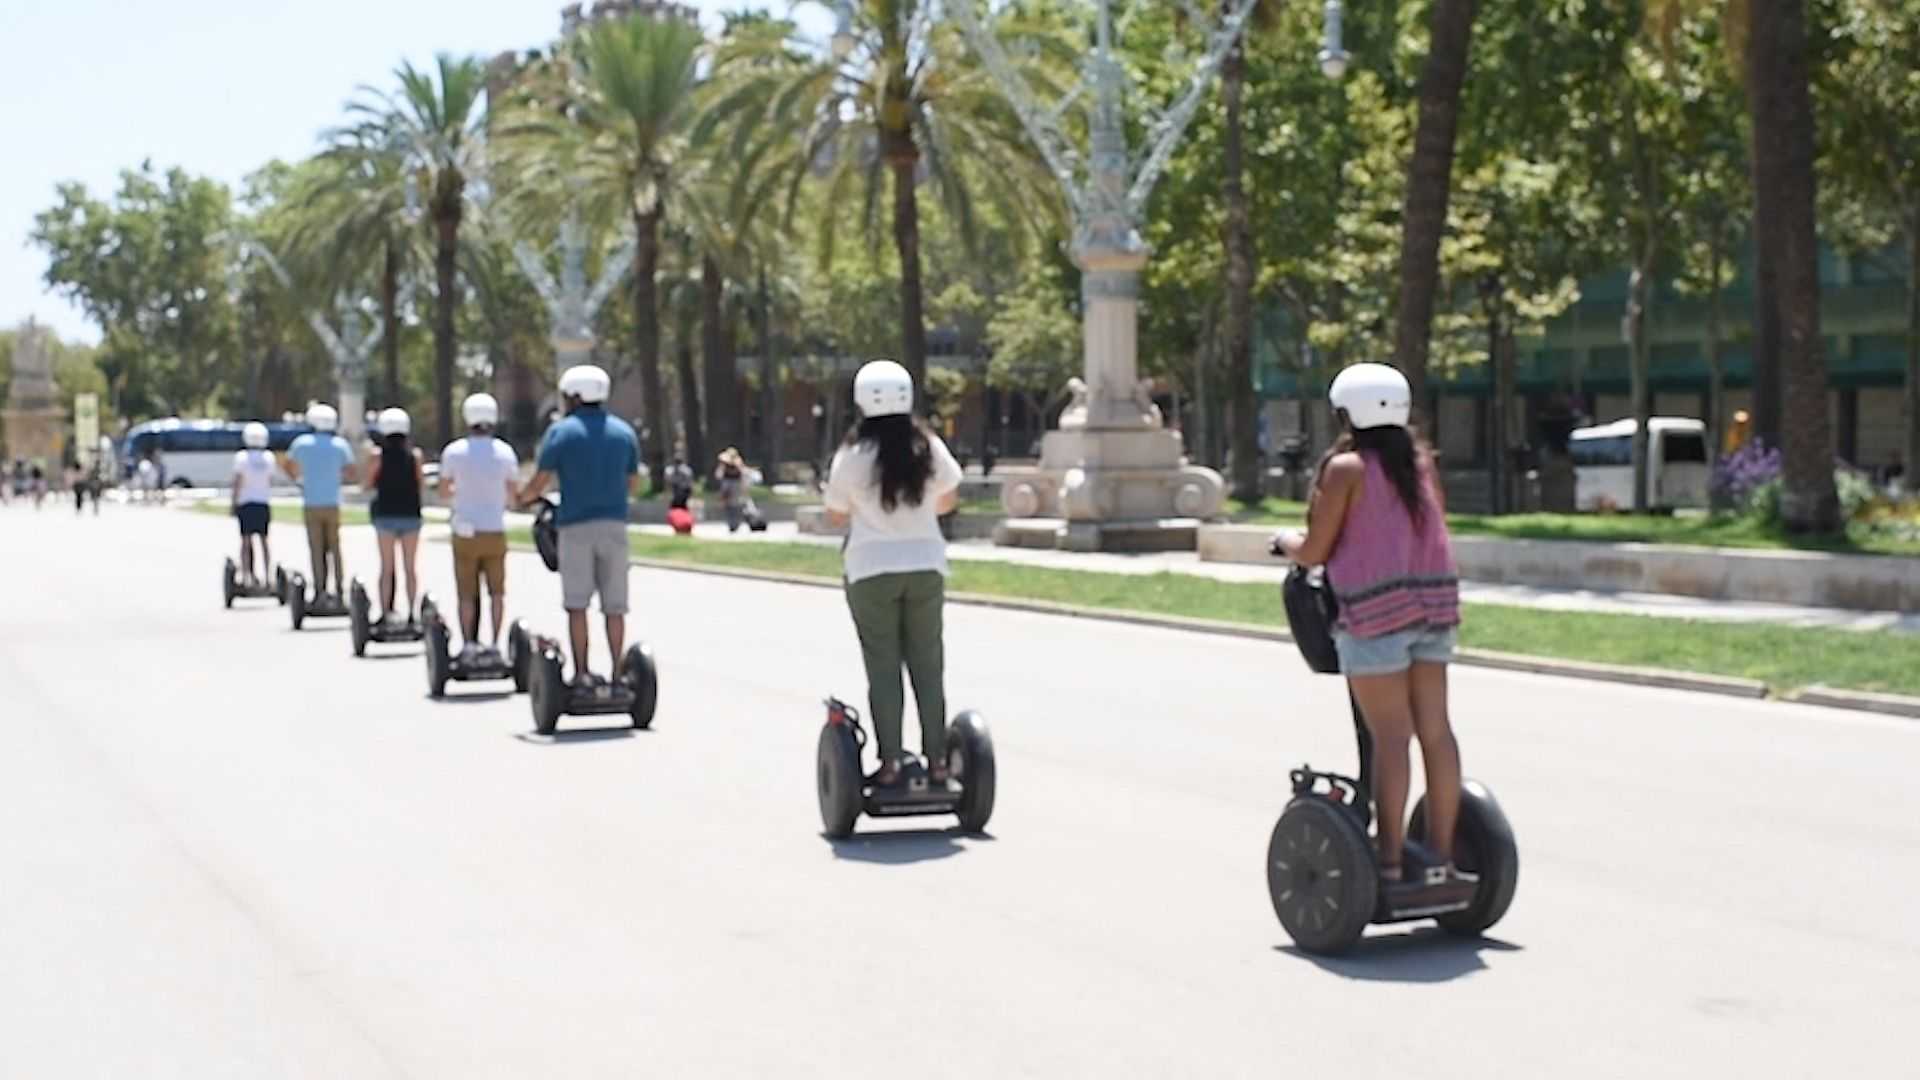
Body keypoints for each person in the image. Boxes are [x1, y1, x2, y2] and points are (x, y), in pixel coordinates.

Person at [1274, 362, 1473, 890]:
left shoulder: (1346, 469)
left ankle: (1386, 864)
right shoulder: (1420, 463)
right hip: (1434, 608)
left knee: (1390, 737)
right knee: (1436, 731)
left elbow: (1316, 547)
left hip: (1376, 615)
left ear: (1346, 413)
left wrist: (1284, 541)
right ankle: (1440, 859)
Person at [822, 360, 964, 786]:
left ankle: (890, 763)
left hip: (871, 569)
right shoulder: (928, 446)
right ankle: (938, 761)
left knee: (883, 668)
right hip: (924, 565)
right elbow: (948, 499)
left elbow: (835, 516)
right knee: (927, 665)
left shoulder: (852, 455)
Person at [519, 364, 642, 690]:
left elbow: (541, 480)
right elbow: (633, 482)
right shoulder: (624, 432)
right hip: (615, 526)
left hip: (575, 528)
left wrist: (522, 498)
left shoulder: (562, 432)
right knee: (615, 607)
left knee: (577, 605)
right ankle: (618, 676)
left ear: (574, 396)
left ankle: (583, 673)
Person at [439, 393, 520, 663]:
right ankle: (496, 644)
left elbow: (444, 490)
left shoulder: (454, 451)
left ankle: (469, 644)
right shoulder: (504, 452)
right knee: (496, 592)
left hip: (465, 530)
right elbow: (512, 493)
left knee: (466, 593)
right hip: (494, 529)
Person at [284, 403, 356, 600]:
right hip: (333, 502)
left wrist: (299, 480)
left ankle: (320, 590)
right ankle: (340, 589)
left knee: (316, 549)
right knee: (335, 547)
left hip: (311, 503)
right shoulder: (340, 444)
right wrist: (336, 476)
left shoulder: (302, 443)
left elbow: (288, 465)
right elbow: (351, 471)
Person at [367, 406, 427, 629]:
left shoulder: (377, 455)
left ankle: (385, 613)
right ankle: (413, 614)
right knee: (410, 568)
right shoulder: (415, 455)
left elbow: (368, 483)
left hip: (385, 514)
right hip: (410, 514)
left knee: (387, 568)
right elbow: (420, 483)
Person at [231, 422, 277, 585]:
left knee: (245, 541)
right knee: (264, 541)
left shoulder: (241, 457)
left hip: (246, 502)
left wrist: (233, 502)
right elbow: (270, 480)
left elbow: (237, 481)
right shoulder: (269, 458)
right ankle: (268, 577)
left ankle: (245, 577)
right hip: (263, 502)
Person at [714, 447, 752, 532]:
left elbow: (742, 472)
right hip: (727, 483)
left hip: (736, 483)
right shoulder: (724, 462)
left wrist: (744, 486)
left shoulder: (738, 461)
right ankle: (731, 523)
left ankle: (735, 523)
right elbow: (719, 473)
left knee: (736, 505)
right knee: (728, 505)